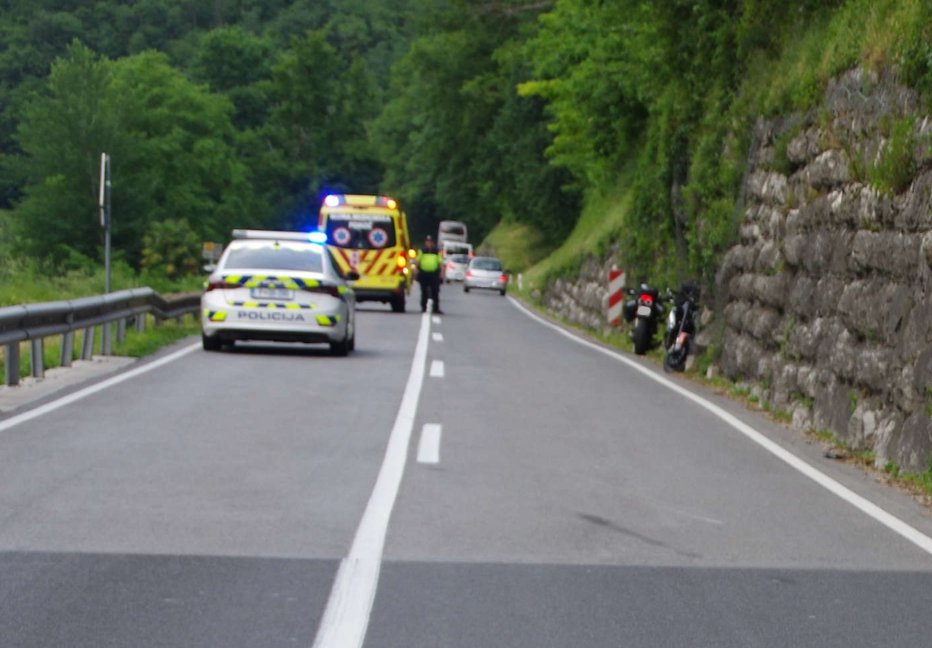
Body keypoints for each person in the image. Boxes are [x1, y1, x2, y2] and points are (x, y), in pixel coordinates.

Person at [415, 235, 443, 314]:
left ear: (432, 243)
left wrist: (441, 273)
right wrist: (416, 271)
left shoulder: (436, 251)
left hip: (434, 274)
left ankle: (436, 308)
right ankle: (423, 307)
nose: (429, 243)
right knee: (424, 292)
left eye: (430, 242)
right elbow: (418, 261)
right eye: (427, 242)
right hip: (424, 274)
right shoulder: (422, 250)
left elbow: (440, 263)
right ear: (425, 242)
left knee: (435, 291)